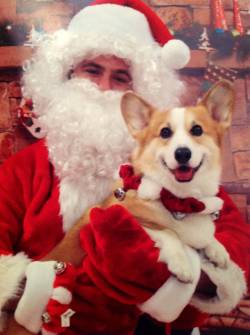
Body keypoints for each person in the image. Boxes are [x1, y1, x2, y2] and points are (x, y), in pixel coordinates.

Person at [0, 0, 249, 334]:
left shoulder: (172, 160)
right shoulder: (22, 169)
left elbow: (234, 240)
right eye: (92, 71)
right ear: (66, 74)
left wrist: (172, 272)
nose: (104, 89)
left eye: (120, 78)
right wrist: (46, 282)